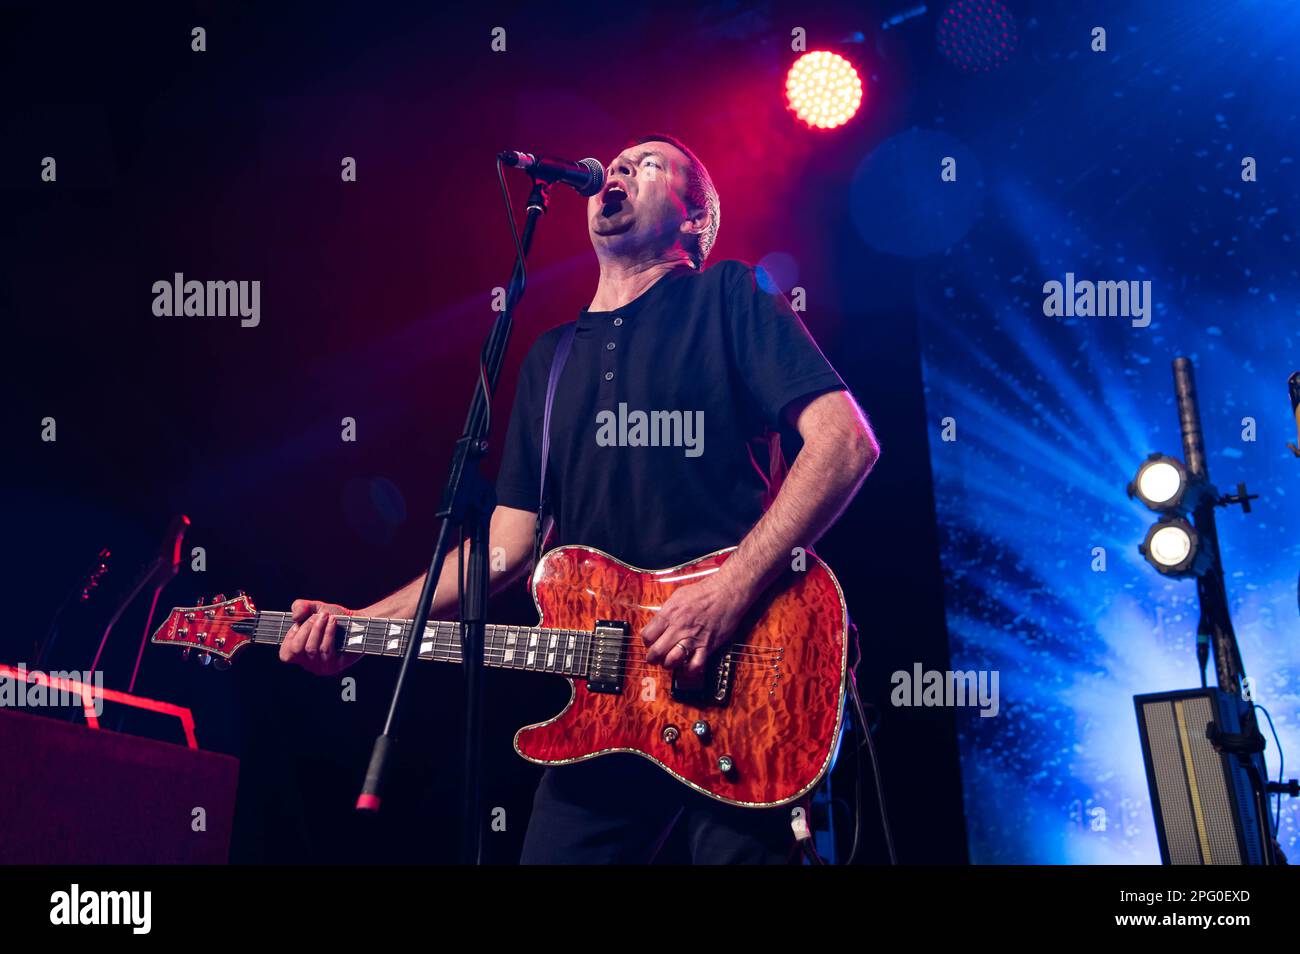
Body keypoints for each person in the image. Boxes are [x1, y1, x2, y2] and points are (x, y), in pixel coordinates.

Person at [280, 134, 879, 863]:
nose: (619, 168)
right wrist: (359, 624)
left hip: (748, 677)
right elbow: (506, 549)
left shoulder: (729, 295)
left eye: (648, 163)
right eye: (615, 162)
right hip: (606, 713)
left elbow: (845, 443)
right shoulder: (551, 358)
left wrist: (725, 595)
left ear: (695, 219)